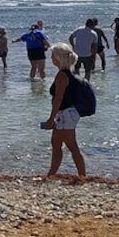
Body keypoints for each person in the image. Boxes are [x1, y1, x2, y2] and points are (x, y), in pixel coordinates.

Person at [43, 43, 87, 178]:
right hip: (69, 113)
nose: (51, 59)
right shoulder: (70, 74)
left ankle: (82, 175)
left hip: (65, 114)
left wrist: (51, 119)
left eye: (52, 56)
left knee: (70, 145)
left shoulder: (62, 76)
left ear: (58, 58)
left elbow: (58, 99)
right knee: (57, 143)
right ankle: (52, 174)